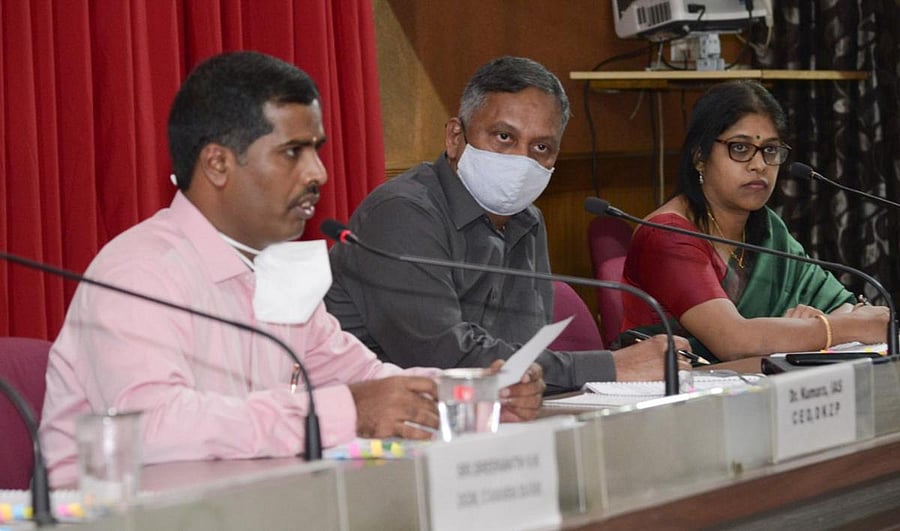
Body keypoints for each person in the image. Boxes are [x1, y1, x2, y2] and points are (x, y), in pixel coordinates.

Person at [39, 51, 545, 487]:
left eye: (317, 151)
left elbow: (362, 375)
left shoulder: (278, 269)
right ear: (218, 165)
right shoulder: (139, 273)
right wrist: (349, 410)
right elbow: (151, 428)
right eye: (292, 153)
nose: (318, 173)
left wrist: (476, 393)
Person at [326, 56, 689, 395]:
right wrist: (609, 367)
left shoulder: (527, 220)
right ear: (456, 138)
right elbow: (444, 358)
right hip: (363, 426)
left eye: (542, 147)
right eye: (504, 137)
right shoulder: (401, 213)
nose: (521, 161)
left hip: (476, 417)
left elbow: (519, 359)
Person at [620, 79, 889, 362]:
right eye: (740, 148)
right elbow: (733, 340)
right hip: (668, 393)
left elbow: (844, 305)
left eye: (770, 150)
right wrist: (833, 327)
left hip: (756, 387)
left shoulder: (766, 227)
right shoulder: (664, 236)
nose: (759, 165)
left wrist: (815, 322)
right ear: (700, 157)